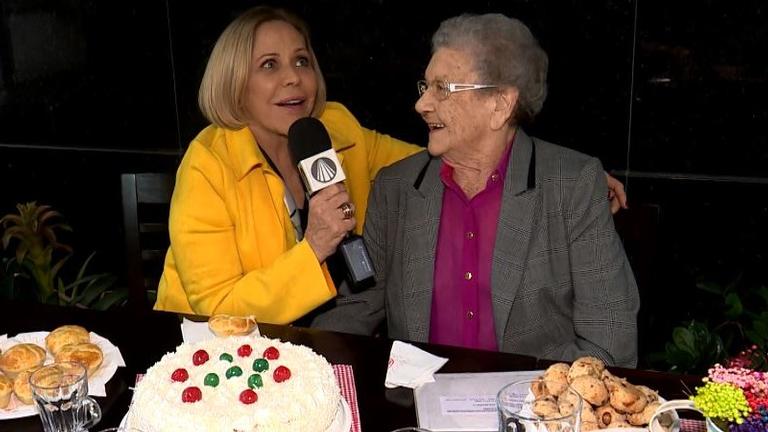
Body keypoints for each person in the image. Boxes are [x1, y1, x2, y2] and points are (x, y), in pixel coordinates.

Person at [154, 6, 628, 326]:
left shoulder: (335, 129)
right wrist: (315, 246)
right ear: (235, 82)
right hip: (206, 355)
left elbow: (440, 156)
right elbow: (217, 313)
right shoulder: (208, 165)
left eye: (301, 59)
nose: (294, 77)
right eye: (269, 65)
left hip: (311, 336)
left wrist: (561, 178)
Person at [313, 13, 640, 367]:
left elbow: (609, 344)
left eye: (443, 88)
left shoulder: (572, 187)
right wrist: (302, 367)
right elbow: (355, 311)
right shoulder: (397, 189)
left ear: (499, 105)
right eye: (425, 87)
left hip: (529, 406)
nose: (421, 105)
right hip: (418, 405)